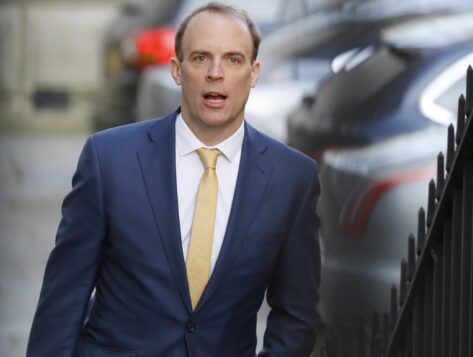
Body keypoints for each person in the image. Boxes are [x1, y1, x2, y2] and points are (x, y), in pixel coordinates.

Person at [26, 2, 321, 356]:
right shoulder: (110, 160)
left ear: (254, 72)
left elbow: (296, 315)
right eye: (200, 58)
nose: (216, 72)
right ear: (177, 70)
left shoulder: (292, 178)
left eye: (233, 59)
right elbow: (63, 297)